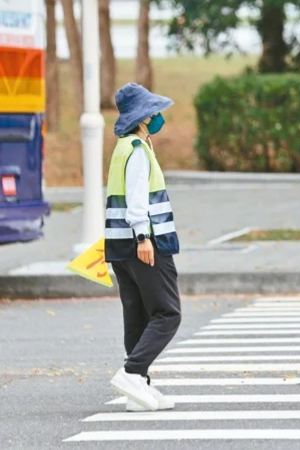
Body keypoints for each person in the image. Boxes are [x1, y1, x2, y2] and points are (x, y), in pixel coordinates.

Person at [105, 83, 182, 413]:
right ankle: (132, 372)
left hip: (119, 246)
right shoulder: (136, 150)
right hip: (144, 243)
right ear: (142, 117)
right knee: (168, 313)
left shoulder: (124, 147)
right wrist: (143, 238)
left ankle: (139, 389)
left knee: (136, 316)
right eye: (153, 112)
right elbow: (137, 202)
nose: (157, 117)